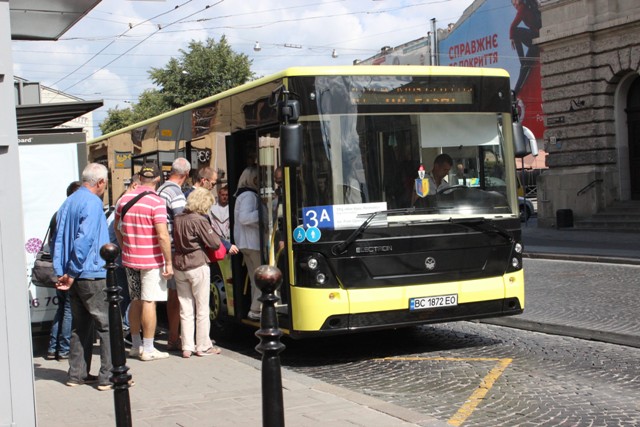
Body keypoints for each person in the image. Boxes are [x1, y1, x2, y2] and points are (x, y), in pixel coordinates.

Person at [52, 164, 113, 391]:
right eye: (105, 183)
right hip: (89, 272)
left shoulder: (68, 202)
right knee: (106, 325)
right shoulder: (93, 202)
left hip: (73, 274)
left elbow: (59, 241)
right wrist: (73, 270)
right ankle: (109, 376)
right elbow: (84, 239)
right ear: (100, 182)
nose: (104, 187)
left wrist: (64, 272)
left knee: (81, 326)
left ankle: (76, 374)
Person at [114, 163, 173, 362]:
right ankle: (148, 348)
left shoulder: (124, 199)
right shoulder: (157, 202)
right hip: (151, 260)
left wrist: (125, 248)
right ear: (157, 179)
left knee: (136, 299)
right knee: (150, 301)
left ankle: (136, 344)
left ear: (139, 177)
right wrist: (169, 262)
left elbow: (116, 228)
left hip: (130, 259)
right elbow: (163, 235)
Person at [173, 188, 235, 358]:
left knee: (185, 308)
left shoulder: (178, 218)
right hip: (197, 263)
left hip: (179, 264)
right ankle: (203, 345)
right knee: (202, 307)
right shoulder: (199, 220)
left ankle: (187, 346)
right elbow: (215, 243)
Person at [156, 157, 191, 351]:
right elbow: (181, 221)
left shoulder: (161, 189)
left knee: (171, 294)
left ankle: (173, 335)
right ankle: (175, 337)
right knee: (177, 295)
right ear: (185, 174)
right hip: (173, 248)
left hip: (163, 246)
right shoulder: (175, 193)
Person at [45, 180, 81, 361]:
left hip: (59, 267)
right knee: (67, 309)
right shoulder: (68, 215)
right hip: (67, 269)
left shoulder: (57, 214)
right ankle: (64, 349)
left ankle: (53, 347)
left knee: (62, 309)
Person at [106, 174, 141, 333]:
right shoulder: (124, 205)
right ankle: (127, 327)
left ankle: (125, 326)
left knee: (125, 295)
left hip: (120, 258)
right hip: (122, 259)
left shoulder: (119, 205)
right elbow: (119, 232)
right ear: (134, 186)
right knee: (128, 296)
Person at [233, 166, 263, 320]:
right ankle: (256, 309)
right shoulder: (250, 195)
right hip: (252, 243)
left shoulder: (241, 195)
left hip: (244, 243)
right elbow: (245, 218)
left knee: (254, 278)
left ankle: (255, 308)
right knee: (260, 278)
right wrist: (264, 211)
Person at [510, 0, 541, 95]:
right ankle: (515, 93)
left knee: (515, 32)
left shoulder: (523, 7)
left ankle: (522, 61)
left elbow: (513, 26)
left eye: (515, 0)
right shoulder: (528, 6)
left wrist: (511, 37)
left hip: (537, 36)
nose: (514, 4)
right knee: (525, 68)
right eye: (512, 3)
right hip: (536, 39)